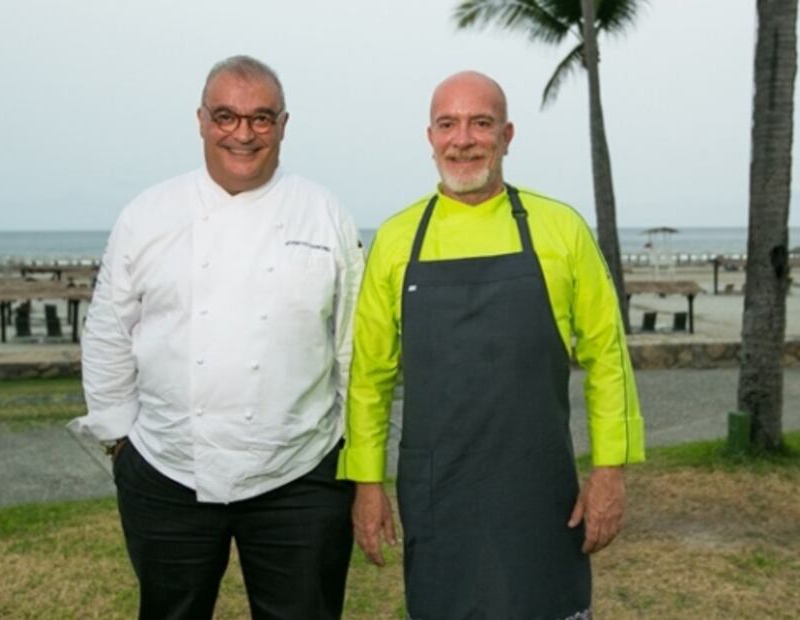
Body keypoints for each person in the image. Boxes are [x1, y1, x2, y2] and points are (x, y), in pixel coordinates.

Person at [338, 71, 645, 619]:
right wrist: (366, 481)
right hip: (438, 492)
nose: (464, 140)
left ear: (507, 135)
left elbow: (608, 361)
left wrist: (609, 472)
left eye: (481, 123)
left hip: (540, 490)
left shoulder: (562, 230)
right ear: (429, 137)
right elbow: (369, 377)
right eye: (448, 124)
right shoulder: (395, 239)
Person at [69, 55, 363, 620]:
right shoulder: (147, 215)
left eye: (261, 118)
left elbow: (351, 345)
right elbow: (108, 330)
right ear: (201, 121)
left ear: (283, 124)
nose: (244, 134)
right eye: (226, 117)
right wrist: (118, 442)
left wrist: (348, 452)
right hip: (166, 469)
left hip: (299, 472)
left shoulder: (325, 214)